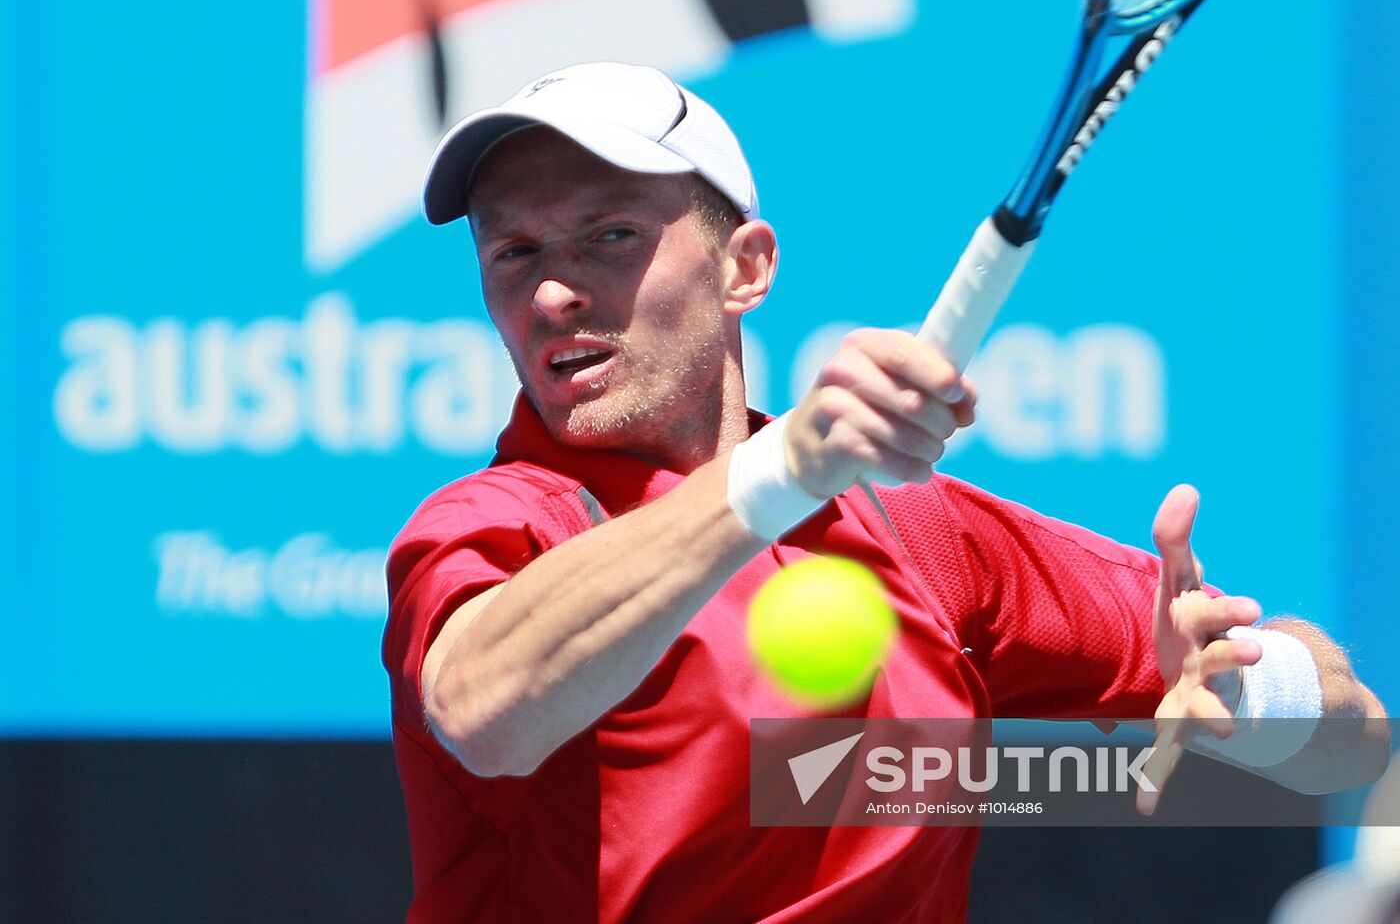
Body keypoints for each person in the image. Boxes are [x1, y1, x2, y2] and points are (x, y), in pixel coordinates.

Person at [383, 62, 1388, 922]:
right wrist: (777, 474)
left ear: (745, 267)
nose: (551, 290)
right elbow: (480, 706)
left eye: (607, 236)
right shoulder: (499, 524)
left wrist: (1247, 692)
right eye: (513, 251)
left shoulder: (922, 538)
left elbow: (1353, 741)